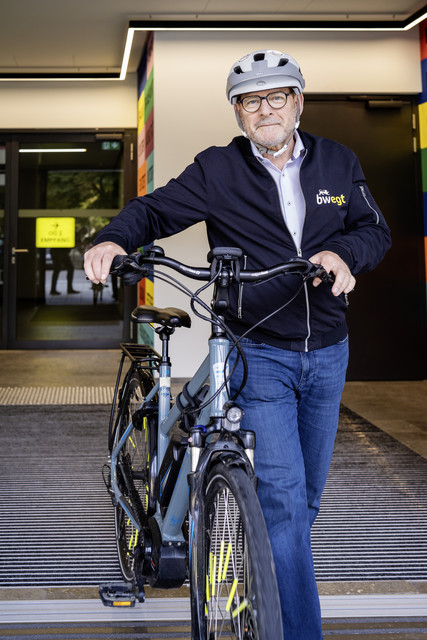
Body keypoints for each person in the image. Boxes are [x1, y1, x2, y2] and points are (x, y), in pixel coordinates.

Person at [84, 49, 391, 639]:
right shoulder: (217, 169)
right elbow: (152, 211)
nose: (265, 109)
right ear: (238, 112)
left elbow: (373, 229)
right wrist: (112, 240)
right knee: (281, 505)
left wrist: (343, 255)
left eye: (278, 96)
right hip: (261, 350)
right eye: (252, 100)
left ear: (298, 103)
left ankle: (265, 588)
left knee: (302, 507)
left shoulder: (338, 161)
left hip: (328, 349)